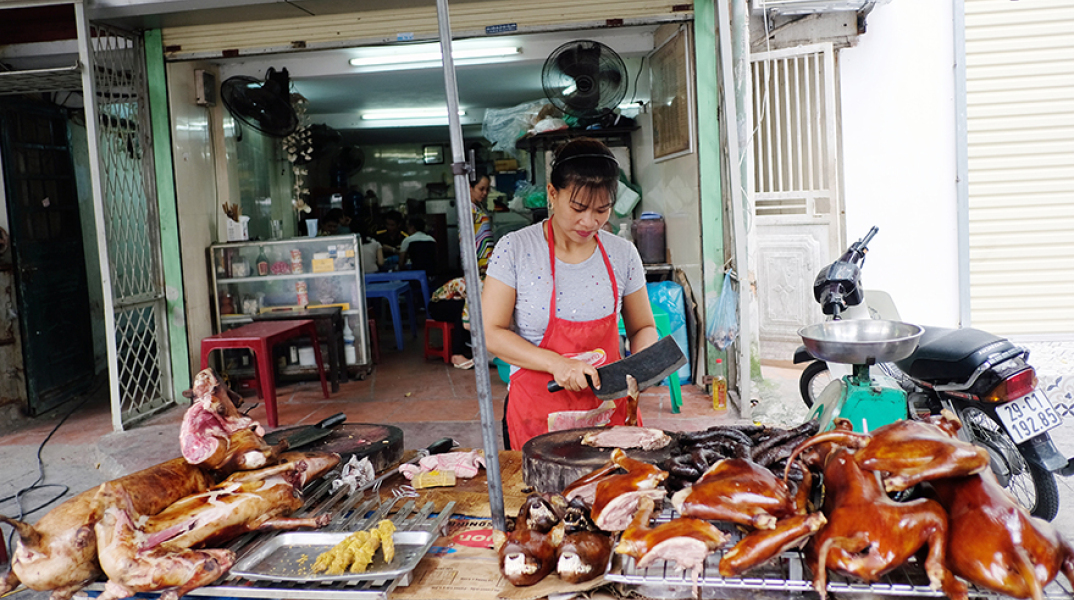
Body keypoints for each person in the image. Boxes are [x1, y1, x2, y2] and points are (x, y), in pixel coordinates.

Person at [482, 138, 658, 450]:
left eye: (602, 210)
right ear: (553, 193)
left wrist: (642, 365)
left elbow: (642, 326)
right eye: (578, 208)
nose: (589, 222)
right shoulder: (516, 249)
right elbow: (492, 334)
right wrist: (557, 365)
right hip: (538, 415)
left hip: (610, 414)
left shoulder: (622, 254)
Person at [428, 277, 473, 369]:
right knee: (463, 311)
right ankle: (457, 355)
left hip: (458, 300)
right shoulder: (478, 287)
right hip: (438, 305)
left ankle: (468, 347)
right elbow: (467, 324)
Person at [470, 174, 494, 276]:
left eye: (487, 190)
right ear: (470, 188)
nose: (484, 193)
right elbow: (467, 237)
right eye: (481, 189)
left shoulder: (479, 207)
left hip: (486, 260)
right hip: (478, 262)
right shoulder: (470, 209)